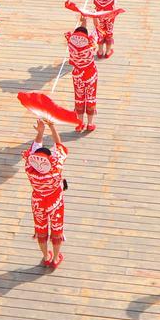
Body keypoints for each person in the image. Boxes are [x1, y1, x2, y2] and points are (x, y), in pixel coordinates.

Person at [22, 118, 68, 269]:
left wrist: (40, 132)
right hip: (55, 201)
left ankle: (45, 256)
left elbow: (33, 151)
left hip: (38, 202)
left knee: (40, 229)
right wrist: (52, 127)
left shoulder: (30, 169)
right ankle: (55, 258)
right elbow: (59, 146)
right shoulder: (56, 169)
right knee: (57, 228)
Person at [65, 14, 98, 132]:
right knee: (90, 97)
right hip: (90, 74)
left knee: (79, 98)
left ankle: (80, 124)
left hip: (77, 74)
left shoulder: (70, 43)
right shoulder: (90, 45)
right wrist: (94, 20)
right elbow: (97, 31)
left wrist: (83, 23)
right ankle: (90, 123)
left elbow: (79, 35)